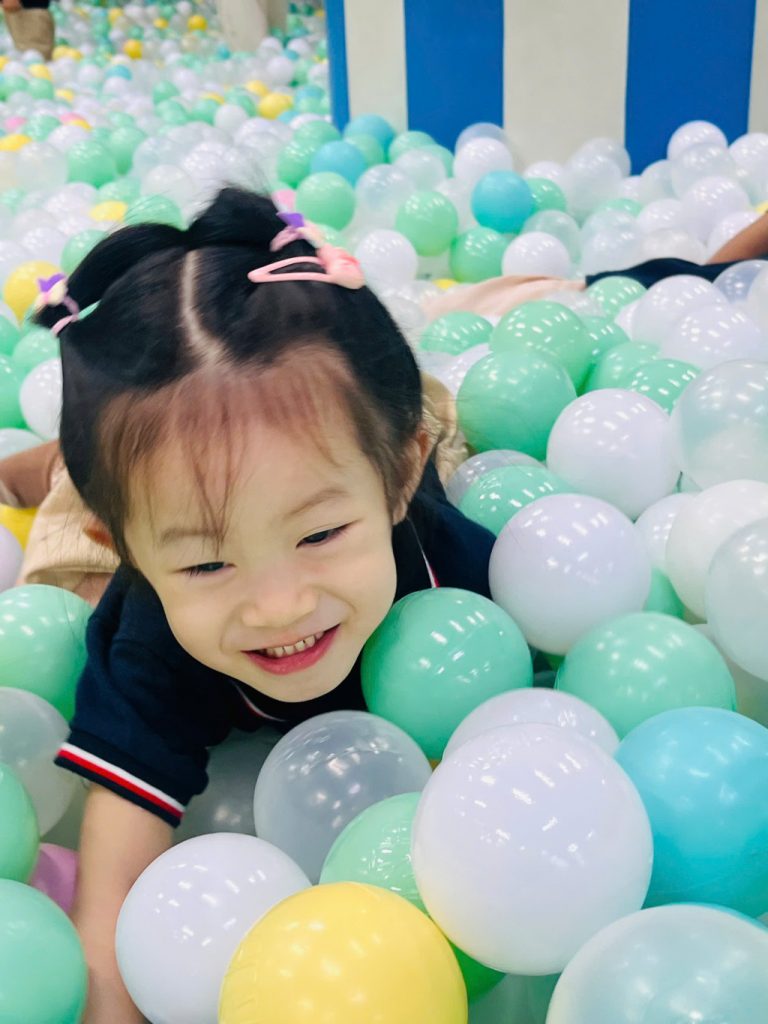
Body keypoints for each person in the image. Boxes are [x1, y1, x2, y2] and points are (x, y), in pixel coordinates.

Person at [33, 187, 495, 1023]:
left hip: (386, 423)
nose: (279, 606)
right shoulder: (146, 638)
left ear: (395, 482)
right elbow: (112, 908)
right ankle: (46, 468)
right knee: (66, 543)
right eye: (207, 564)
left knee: (435, 407)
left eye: (321, 535)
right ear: (135, 555)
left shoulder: (446, 567)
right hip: (152, 493)